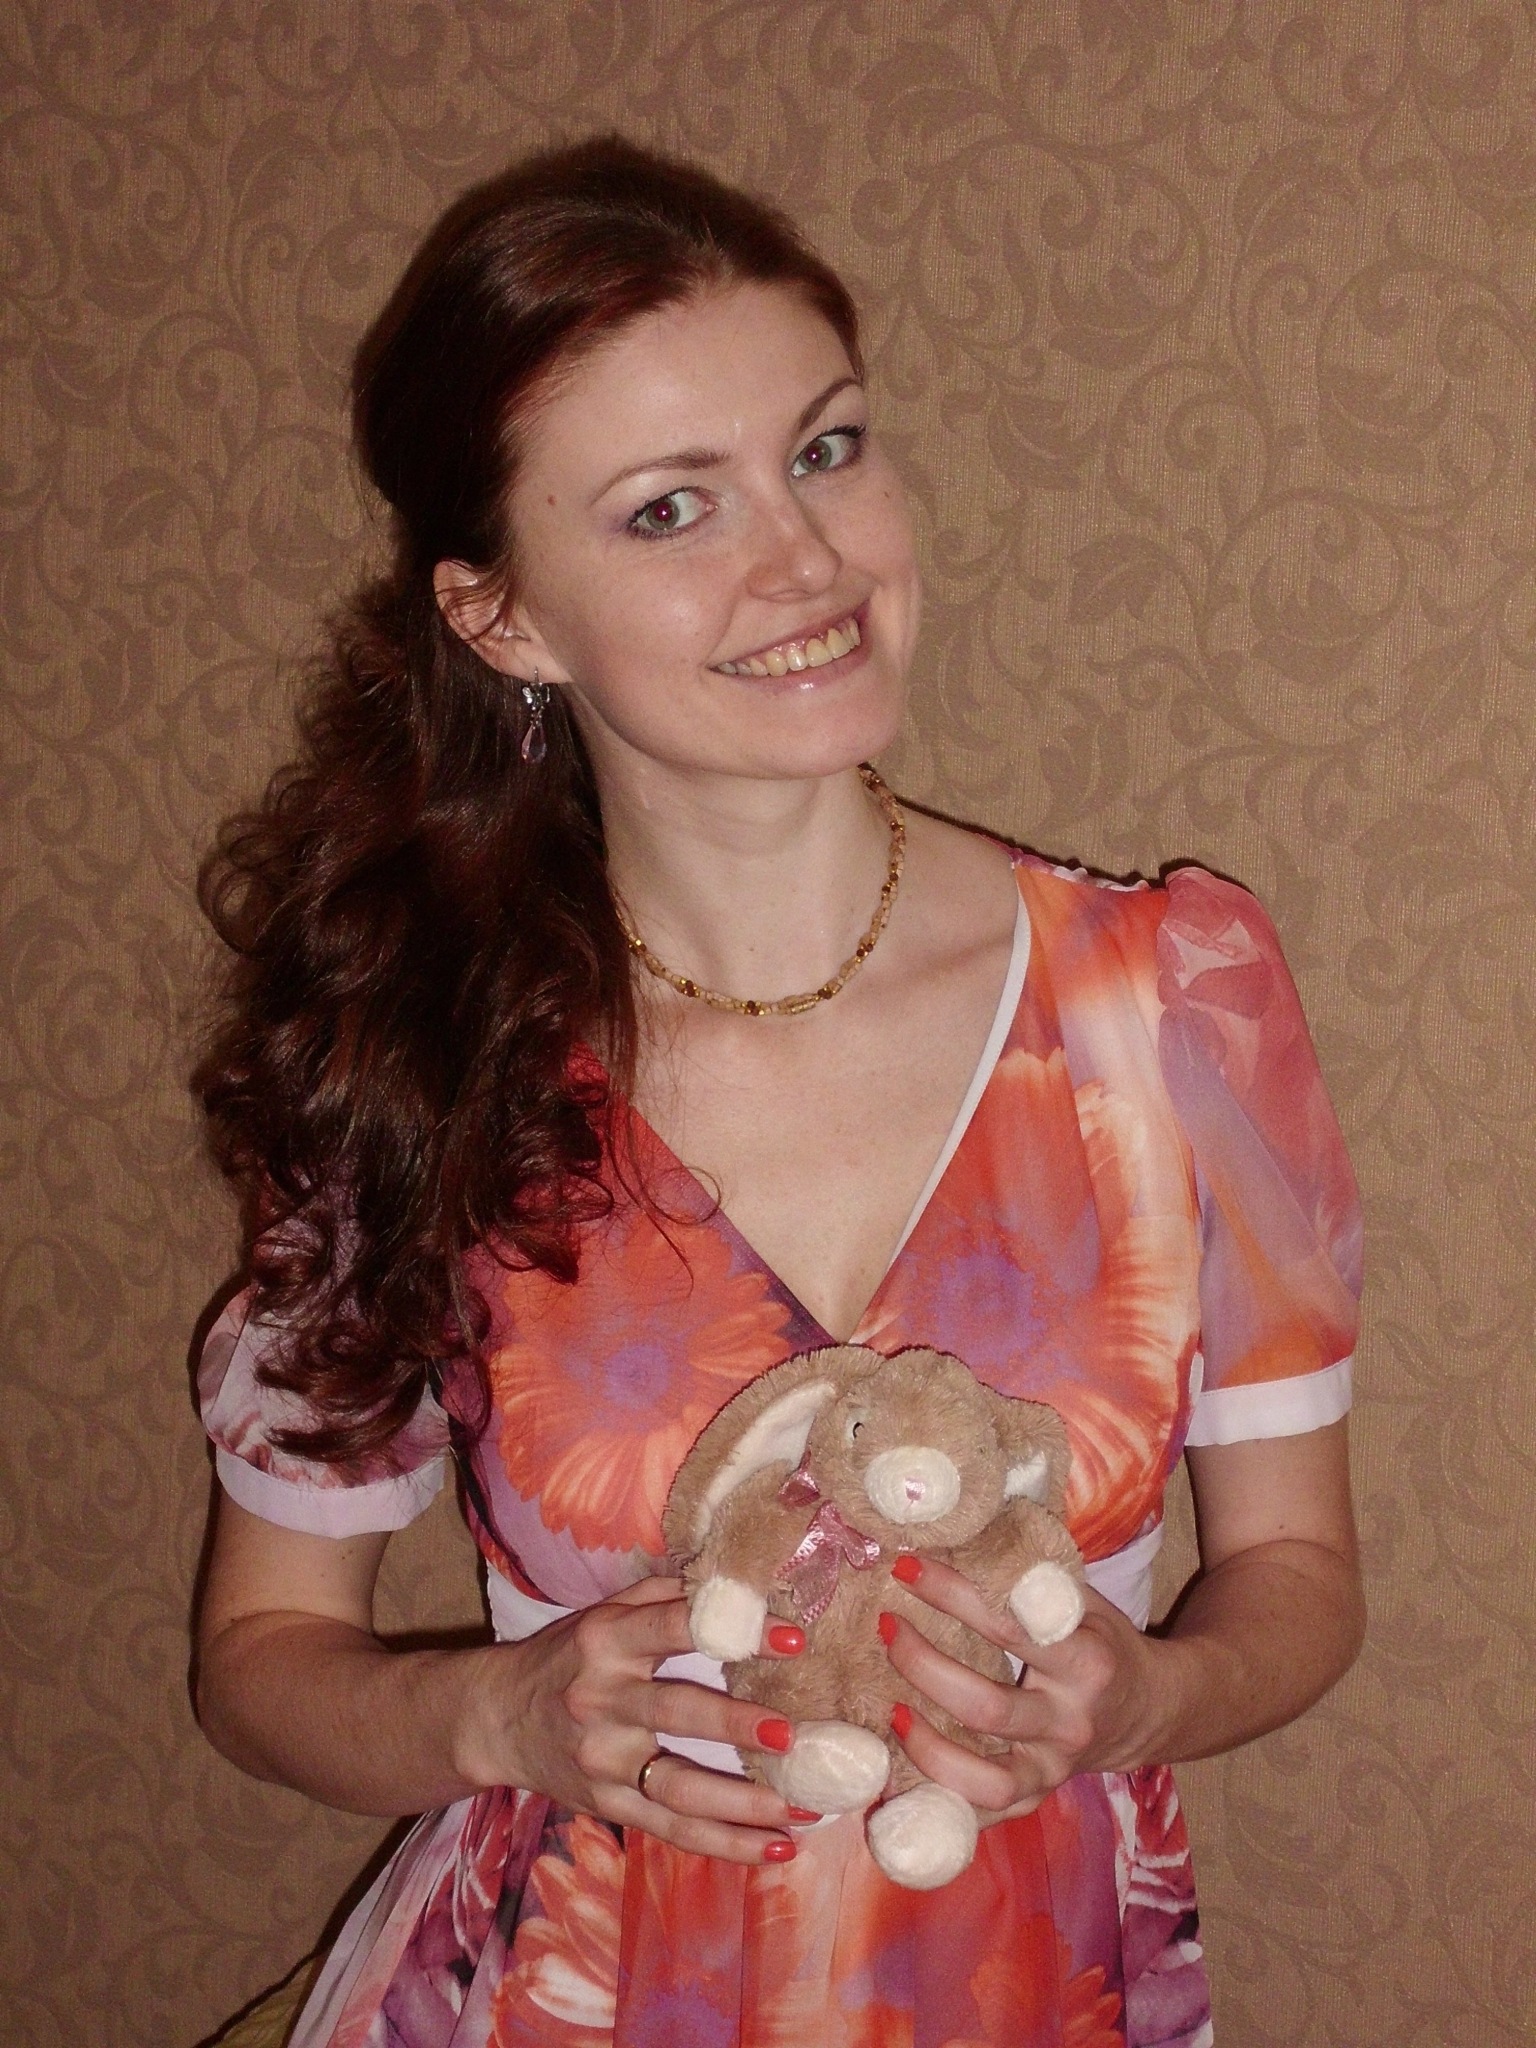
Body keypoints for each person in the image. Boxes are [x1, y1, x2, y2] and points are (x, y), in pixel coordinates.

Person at [193, 135, 1365, 2048]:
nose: (807, 560)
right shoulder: (422, 1048)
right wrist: (494, 1710)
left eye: (825, 450)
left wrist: (1150, 1697)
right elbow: (261, 1655)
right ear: (501, 617)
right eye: (671, 508)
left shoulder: (1168, 1002)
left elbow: (1300, 1573)